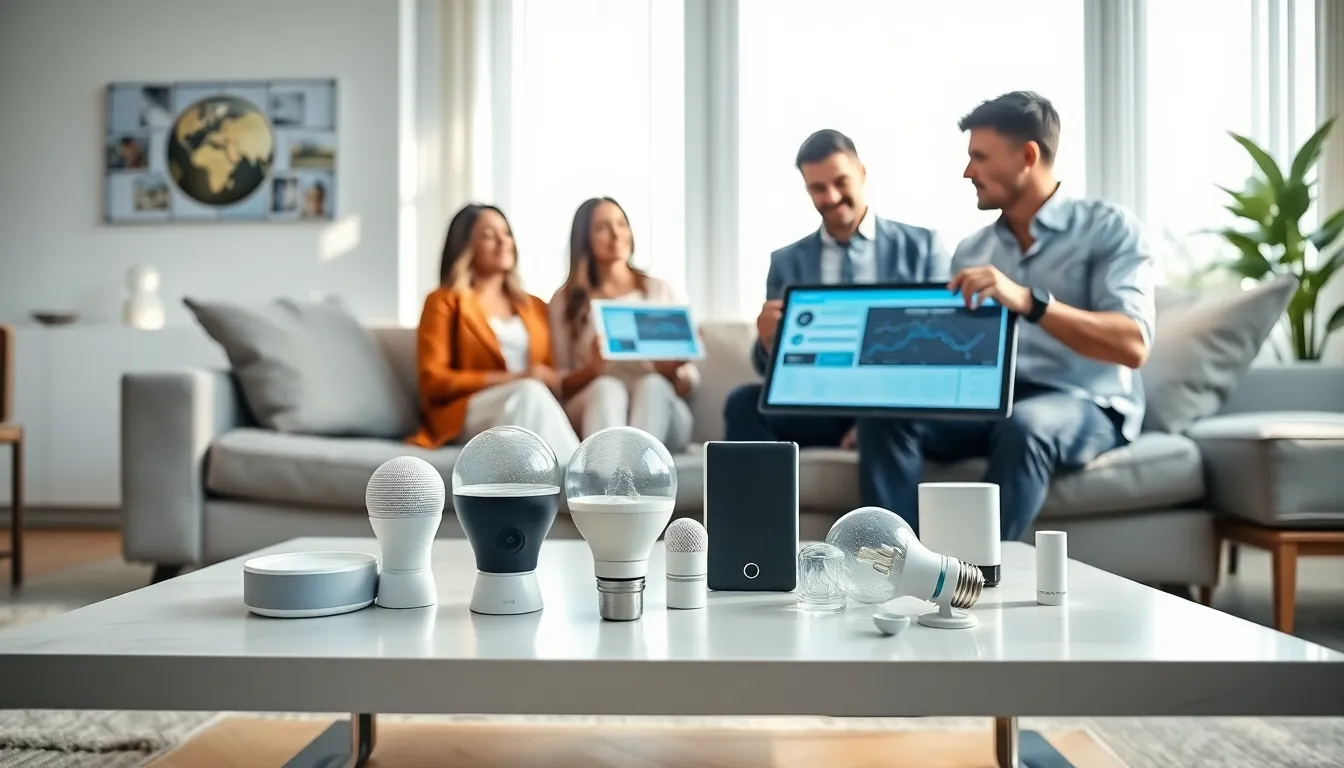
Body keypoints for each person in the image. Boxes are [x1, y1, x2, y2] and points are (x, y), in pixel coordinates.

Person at [858, 91, 1156, 541]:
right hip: (991, 401)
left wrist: (1028, 300)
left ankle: (969, 579)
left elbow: (1132, 345)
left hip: (1085, 402)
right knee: (885, 416)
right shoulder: (972, 250)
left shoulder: (1108, 228)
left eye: (979, 157)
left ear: (1028, 155)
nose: (967, 171)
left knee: (1026, 426)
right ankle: (895, 563)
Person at [723, 129, 952, 446]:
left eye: (840, 182)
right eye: (817, 188)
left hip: (893, 403)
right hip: (818, 403)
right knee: (743, 402)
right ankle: (751, 498)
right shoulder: (786, 262)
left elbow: (938, 345)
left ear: (862, 173)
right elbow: (770, 370)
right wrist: (765, 343)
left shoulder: (922, 246)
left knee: (886, 420)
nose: (830, 197)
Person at [409, 203, 581, 463]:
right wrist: (516, 377)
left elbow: (549, 372)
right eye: (489, 235)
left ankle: (556, 483)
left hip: (529, 411)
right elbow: (434, 381)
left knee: (532, 395)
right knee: (528, 392)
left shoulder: (533, 306)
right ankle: (579, 479)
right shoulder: (444, 301)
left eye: (507, 233)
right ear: (465, 246)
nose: (503, 242)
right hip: (467, 412)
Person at [550, 197, 699, 451]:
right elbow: (559, 382)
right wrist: (593, 369)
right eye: (602, 228)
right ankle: (615, 481)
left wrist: (671, 371)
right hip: (597, 404)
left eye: (621, 224)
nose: (616, 234)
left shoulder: (658, 291)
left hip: (660, 408)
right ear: (584, 239)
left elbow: (690, 382)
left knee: (652, 385)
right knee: (607, 387)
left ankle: (628, 479)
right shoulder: (566, 300)